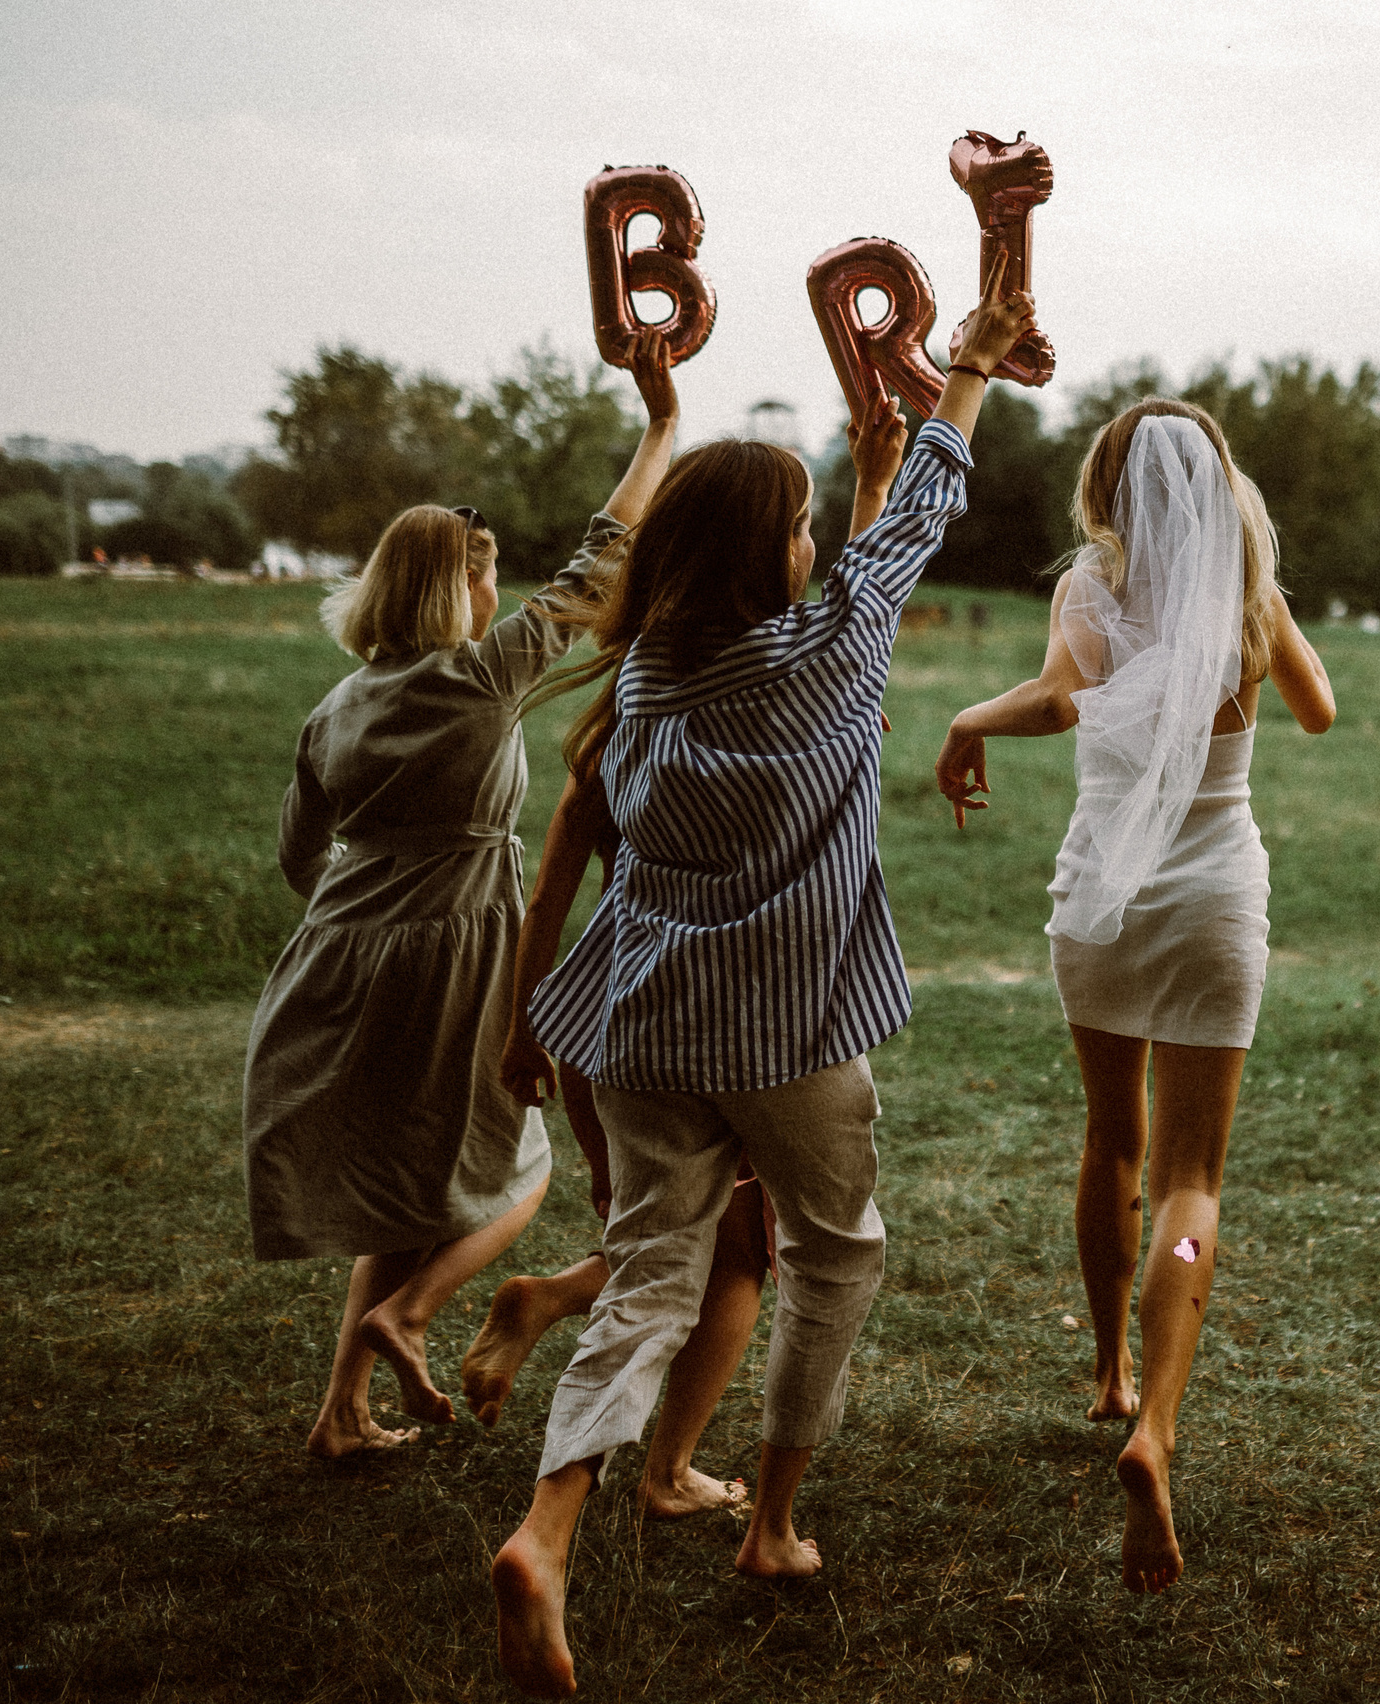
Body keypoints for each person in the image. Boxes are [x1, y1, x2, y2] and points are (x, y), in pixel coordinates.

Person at [489, 271, 1037, 1698]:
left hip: (641, 1025)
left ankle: (549, 1528)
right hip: (793, 1031)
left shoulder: (648, 682)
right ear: (768, 558)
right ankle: (775, 1524)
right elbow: (918, 520)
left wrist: (858, 475)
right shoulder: (834, 658)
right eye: (797, 528)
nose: (816, 544)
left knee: (654, 1275)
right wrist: (962, 369)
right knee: (834, 1251)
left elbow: (868, 540)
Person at [242, 336, 679, 1460]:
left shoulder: (335, 706)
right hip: (461, 947)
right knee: (514, 1171)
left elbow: (298, 861)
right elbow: (602, 557)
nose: (499, 591)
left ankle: (340, 1415)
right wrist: (661, 431)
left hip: (343, 950)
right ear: (463, 585)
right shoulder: (484, 676)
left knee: (401, 1188)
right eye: (486, 574)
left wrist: (376, 876)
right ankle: (415, 1311)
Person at [932, 399, 1336, 1595]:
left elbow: (1058, 700)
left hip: (1099, 906)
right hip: (1216, 905)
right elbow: (1315, 711)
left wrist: (967, 716)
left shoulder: (1088, 594)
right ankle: (1154, 1421)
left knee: (1111, 1139)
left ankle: (1105, 1368)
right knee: (1192, 1180)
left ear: (1106, 486)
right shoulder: (1249, 598)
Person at [460, 747, 776, 1521]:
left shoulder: (613, 735)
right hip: (710, 1025)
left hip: (598, 1024)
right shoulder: (762, 724)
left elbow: (548, 899)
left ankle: (550, 1298)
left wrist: (524, 1030)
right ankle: (667, 1471)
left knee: (655, 1236)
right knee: (735, 1260)